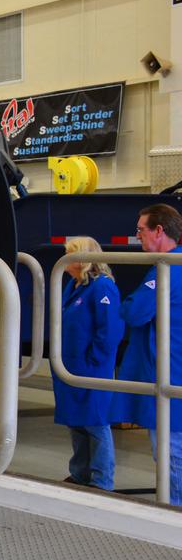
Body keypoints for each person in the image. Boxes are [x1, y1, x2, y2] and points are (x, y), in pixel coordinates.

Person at [112, 203, 182, 505]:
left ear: (159, 230)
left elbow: (135, 312)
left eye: (141, 230)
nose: (137, 236)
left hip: (170, 373)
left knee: (171, 451)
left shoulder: (167, 268)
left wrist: (127, 301)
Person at [55, 236, 122, 490]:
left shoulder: (102, 287)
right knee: (76, 422)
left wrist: (94, 359)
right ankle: (80, 474)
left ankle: (102, 479)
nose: (65, 260)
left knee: (95, 423)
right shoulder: (74, 285)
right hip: (71, 365)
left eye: (70, 254)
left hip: (92, 367)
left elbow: (110, 329)